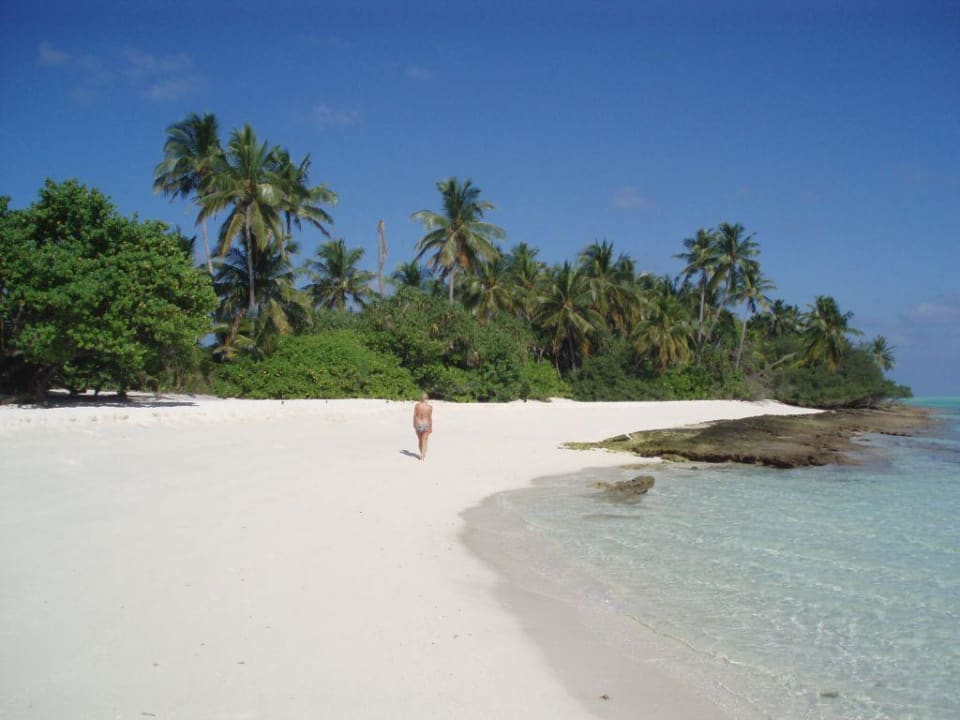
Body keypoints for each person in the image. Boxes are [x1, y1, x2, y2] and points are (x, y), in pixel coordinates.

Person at [412, 392, 433, 461]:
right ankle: (422, 456)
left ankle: (421, 453)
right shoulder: (430, 407)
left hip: (418, 423)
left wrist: (414, 424)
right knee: (425, 440)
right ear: (427, 398)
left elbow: (415, 415)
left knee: (420, 440)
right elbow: (430, 418)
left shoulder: (417, 405)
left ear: (421, 398)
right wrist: (431, 427)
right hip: (426, 423)